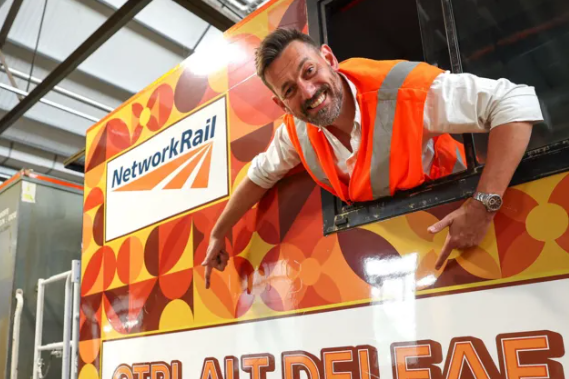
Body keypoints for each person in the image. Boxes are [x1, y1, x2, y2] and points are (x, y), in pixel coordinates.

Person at [203, 28, 543, 288]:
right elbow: (259, 177)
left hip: (463, 234)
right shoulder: (294, 132)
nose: (308, 92)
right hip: (406, 261)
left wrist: (482, 205)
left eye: (309, 71)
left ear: (329, 59)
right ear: (281, 104)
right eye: (289, 89)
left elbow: (514, 102)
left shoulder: (404, 90)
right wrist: (219, 232)